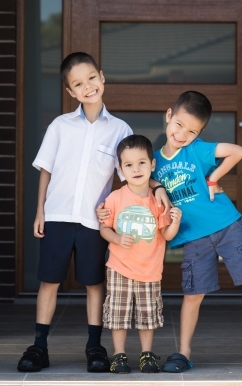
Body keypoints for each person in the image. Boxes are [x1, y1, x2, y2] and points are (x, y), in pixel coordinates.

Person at [97, 90, 242, 375]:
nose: (182, 134)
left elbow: (237, 152)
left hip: (227, 225)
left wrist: (214, 177)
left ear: (199, 133)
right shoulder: (151, 160)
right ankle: (184, 352)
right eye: (178, 125)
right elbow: (140, 179)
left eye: (192, 131)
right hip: (193, 236)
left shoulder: (198, 150)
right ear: (168, 116)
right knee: (194, 294)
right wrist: (155, 189)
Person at [17, 52, 170, 374]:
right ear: (70, 92)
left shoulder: (118, 128)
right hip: (58, 215)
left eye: (91, 78)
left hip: (93, 221)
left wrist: (157, 187)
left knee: (94, 283)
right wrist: (39, 211)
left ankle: (94, 346)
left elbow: (132, 169)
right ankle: (39, 346)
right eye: (77, 84)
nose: (87, 86)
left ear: (101, 77)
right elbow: (45, 170)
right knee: (49, 281)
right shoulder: (60, 126)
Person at [99, 134, 182, 374]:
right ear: (121, 169)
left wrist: (175, 221)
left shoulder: (158, 200)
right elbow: (104, 228)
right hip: (119, 267)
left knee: (147, 315)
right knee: (118, 314)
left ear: (152, 164)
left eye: (142, 163)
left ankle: (147, 355)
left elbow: (166, 234)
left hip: (149, 269)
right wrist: (116, 238)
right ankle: (118, 355)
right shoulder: (115, 198)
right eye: (129, 165)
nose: (136, 169)